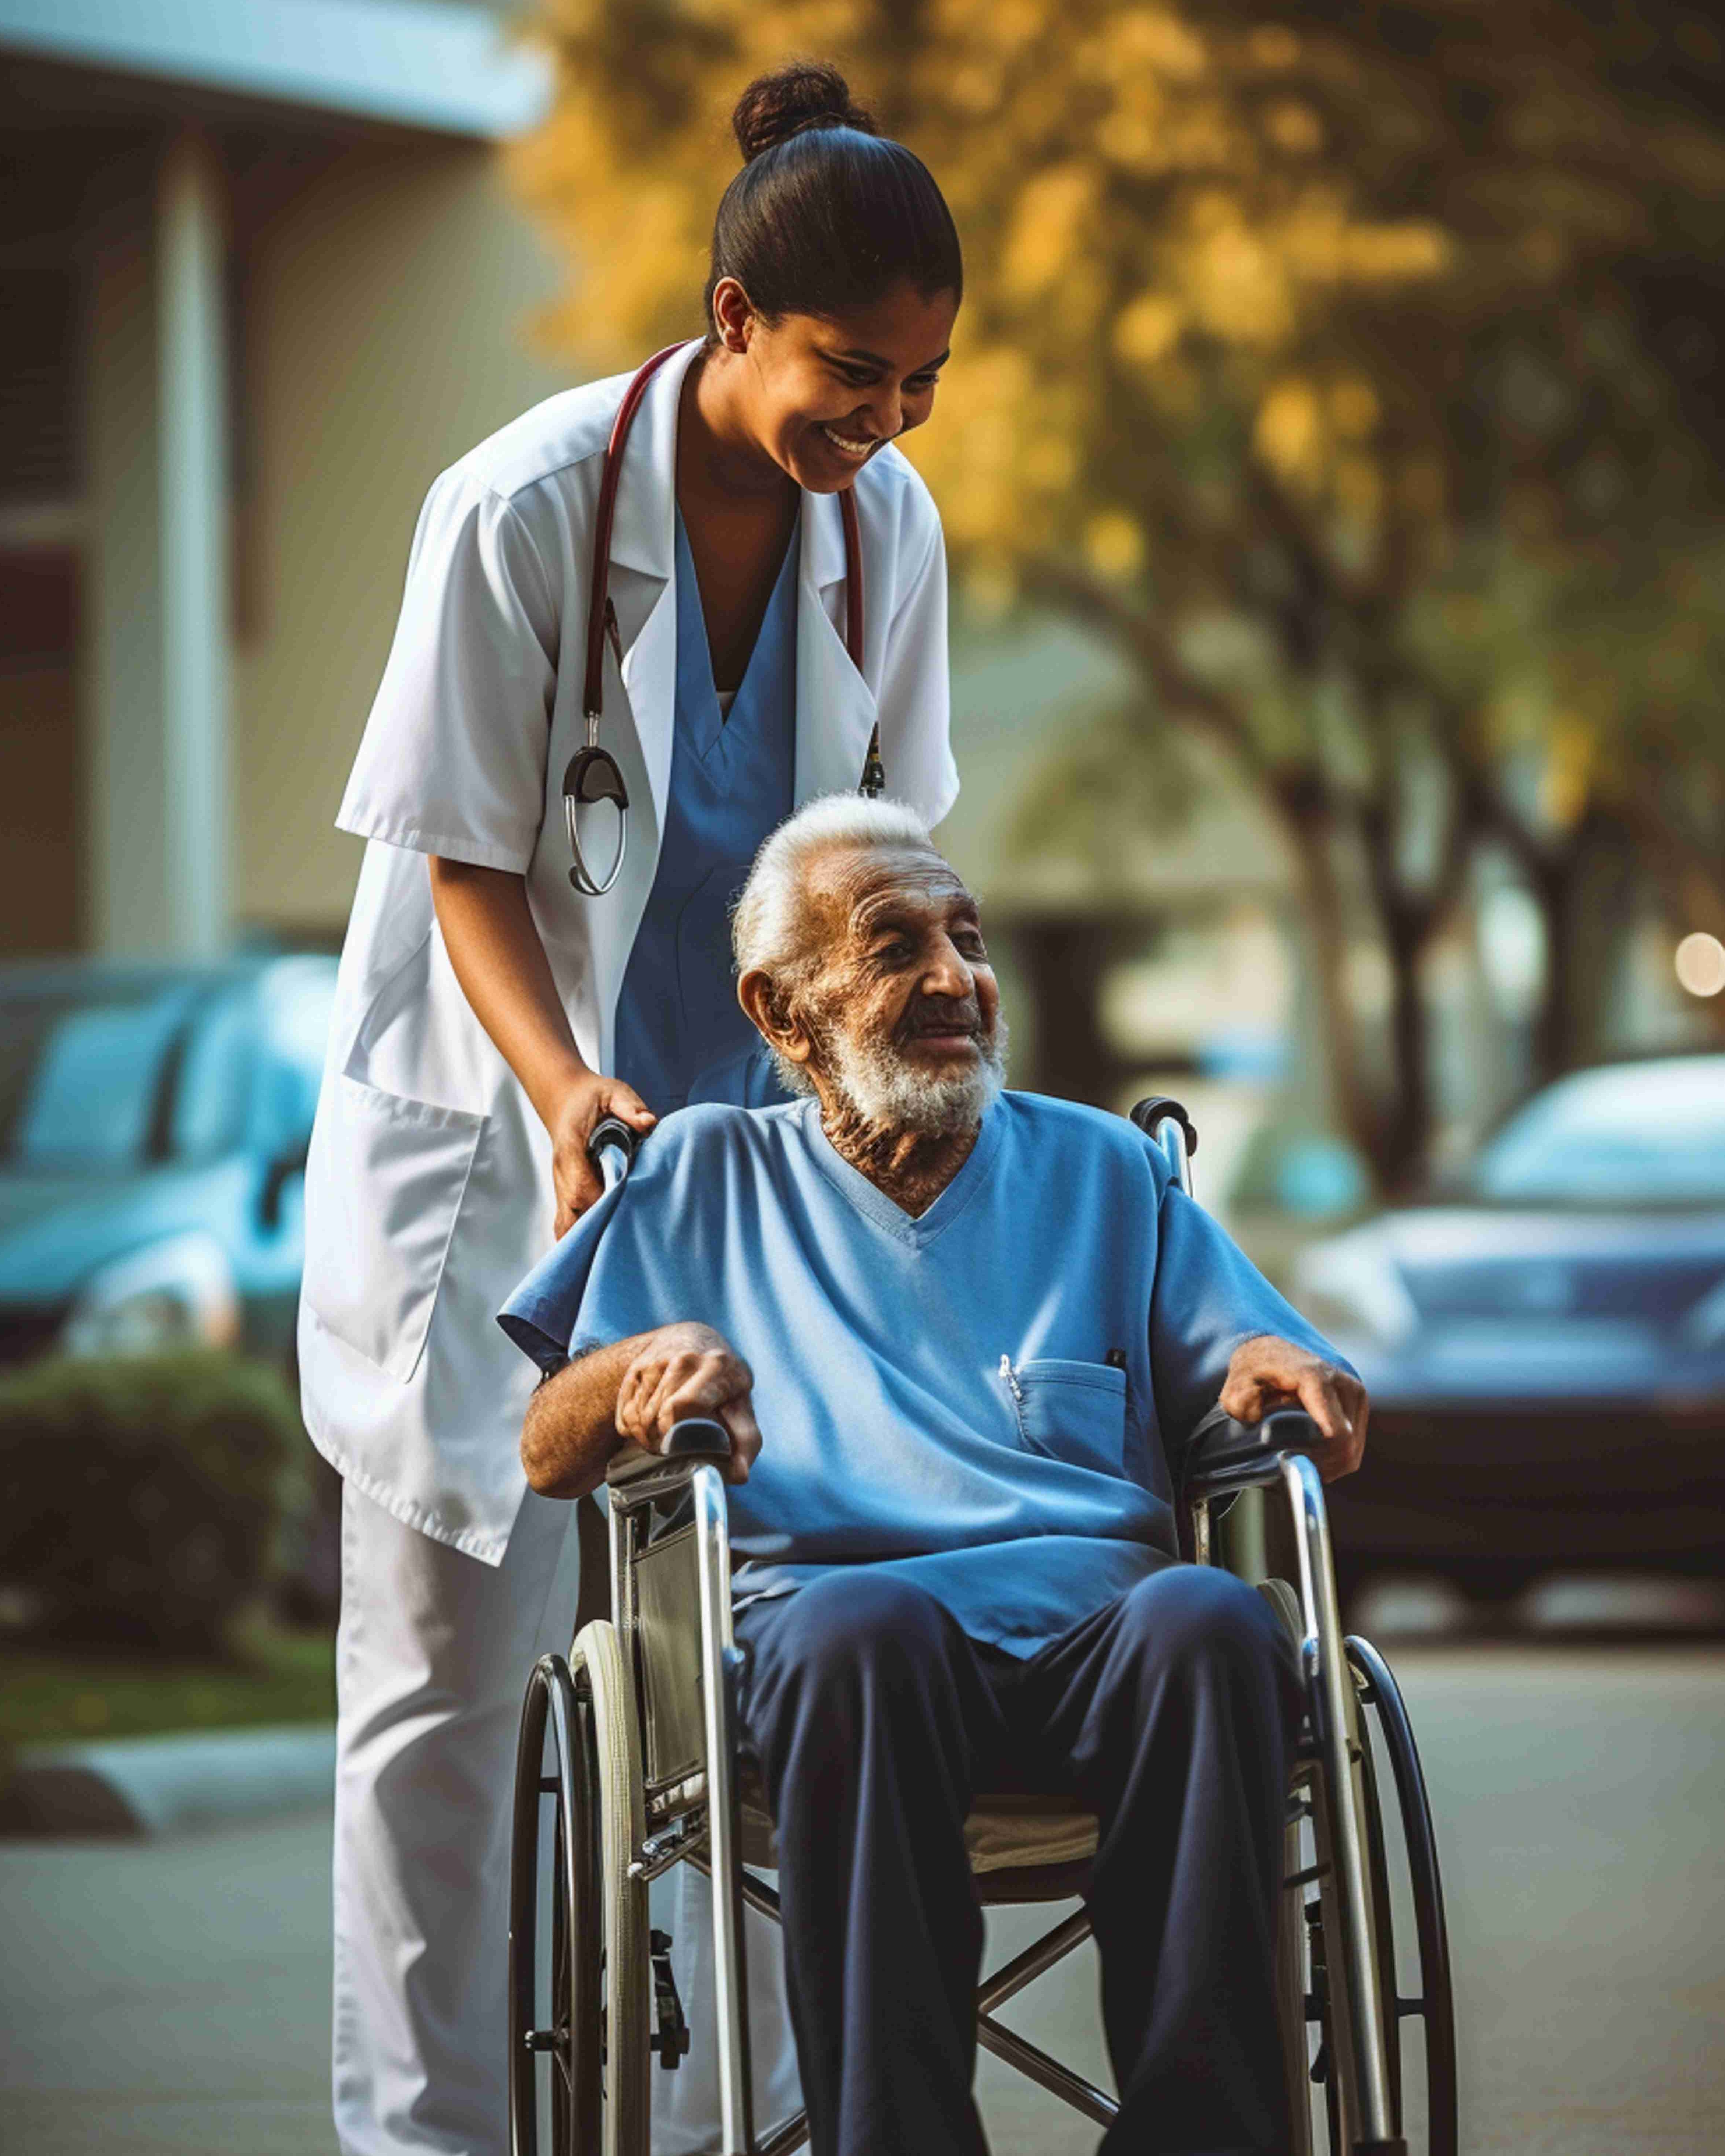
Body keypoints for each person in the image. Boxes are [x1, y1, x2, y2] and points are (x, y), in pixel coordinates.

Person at [298, 64, 963, 2156]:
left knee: (729, 1690)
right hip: (513, 1155)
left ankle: (721, 2130)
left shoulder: (892, 534)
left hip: (748, 1182)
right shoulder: (518, 509)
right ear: (733, 314)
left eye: (925, 384)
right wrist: (566, 1081)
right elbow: (463, 859)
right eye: (855, 372)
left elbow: (877, 849)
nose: (885, 422)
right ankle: (424, 2140)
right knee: (444, 1690)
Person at [501, 793, 1369, 2156]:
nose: (954, 976)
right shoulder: (698, 1173)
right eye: (894, 943)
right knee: (862, 1630)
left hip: (1099, 1644)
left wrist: (1274, 1362)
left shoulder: (1104, 1165)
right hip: (839, 1659)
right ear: (784, 1012)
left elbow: (1240, 1362)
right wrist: (635, 1367)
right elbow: (549, 1448)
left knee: (1212, 1619)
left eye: (966, 937)